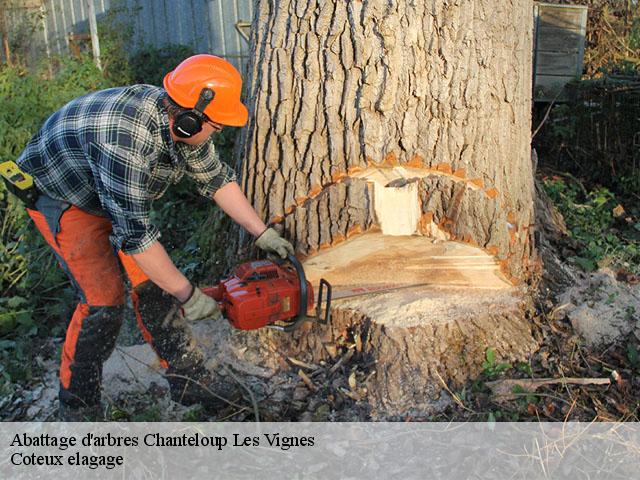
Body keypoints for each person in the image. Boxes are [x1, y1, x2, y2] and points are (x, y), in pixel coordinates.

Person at [8, 54, 294, 421]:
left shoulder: (185, 122)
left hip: (111, 191)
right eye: (217, 127)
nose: (218, 133)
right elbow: (137, 237)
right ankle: (78, 410)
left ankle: (190, 382)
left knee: (155, 289)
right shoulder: (126, 138)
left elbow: (217, 179)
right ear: (192, 119)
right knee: (103, 303)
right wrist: (189, 295)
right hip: (64, 196)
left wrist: (262, 232)